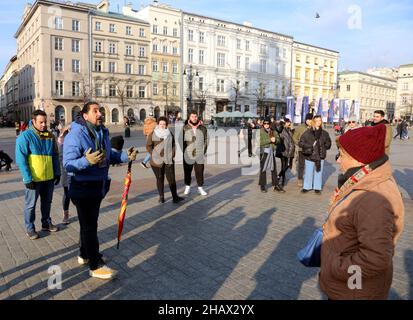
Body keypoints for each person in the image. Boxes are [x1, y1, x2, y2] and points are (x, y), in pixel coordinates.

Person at [320, 124, 404, 300]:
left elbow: (375, 258)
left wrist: (337, 267)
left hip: (353, 290)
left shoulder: (373, 198)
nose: (337, 160)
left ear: (358, 159)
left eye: (341, 155)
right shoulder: (363, 181)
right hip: (350, 286)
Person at [63, 101, 138, 280]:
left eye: (100, 111)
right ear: (85, 115)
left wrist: (125, 156)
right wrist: (85, 161)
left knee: (87, 224)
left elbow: (110, 155)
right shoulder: (75, 134)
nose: (100, 114)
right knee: (90, 226)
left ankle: (84, 254)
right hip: (82, 187)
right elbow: (68, 164)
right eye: (95, 111)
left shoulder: (102, 131)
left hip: (98, 185)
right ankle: (95, 265)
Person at [15, 110, 61, 240]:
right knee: (30, 205)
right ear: (33, 121)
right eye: (41, 122)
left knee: (47, 202)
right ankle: (30, 228)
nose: (44, 125)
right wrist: (27, 178)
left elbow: (55, 155)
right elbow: (21, 159)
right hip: (34, 179)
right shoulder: (25, 136)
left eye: (45, 122)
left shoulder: (48, 135)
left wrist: (57, 172)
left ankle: (46, 223)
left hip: (49, 178)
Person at [147, 117, 184, 204]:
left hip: (168, 160)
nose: (162, 126)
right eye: (160, 124)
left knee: (171, 179)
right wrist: (154, 154)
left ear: (166, 125)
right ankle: (161, 197)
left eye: (164, 124)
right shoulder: (153, 133)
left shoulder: (169, 133)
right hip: (156, 162)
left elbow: (174, 144)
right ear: (158, 124)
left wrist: (173, 154)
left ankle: (175, 197)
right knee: (160, 178)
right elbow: (148, 146)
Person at [299, 115, 331, 194]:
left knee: (318, 172)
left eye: (320, 120)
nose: (318, 122)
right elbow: (301, 142)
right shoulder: (308, 132)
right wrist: (308, 146)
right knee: (308, 172)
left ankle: (317, 187)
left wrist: (325, 146)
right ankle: (307, 186)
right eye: (316, 121)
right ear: (313, 122)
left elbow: (328, 143)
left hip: (320, 156)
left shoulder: (324, 133)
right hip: (310, 155)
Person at [183, 110, 208, 196]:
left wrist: (203, 151)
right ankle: (187, 186)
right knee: (187, 171)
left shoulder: (203, 128)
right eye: (192, 116)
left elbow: (206, 140)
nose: (194, 118)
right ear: (189, 117)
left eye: (195, 116)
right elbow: (181, 141)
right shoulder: (185, 127)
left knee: (200, 171)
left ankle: (200, 188)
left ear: (198, 117)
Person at [258, 118, 285, 193]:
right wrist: (270, 140)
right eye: (265, 124)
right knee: (263, 169)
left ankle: (275, 185)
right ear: (263, 124)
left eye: (268, 124)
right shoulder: (260, 131)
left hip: (272, 152)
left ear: (270, 124)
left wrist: (275, 140)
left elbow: (278, 140)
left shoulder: (273, 131)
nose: (266, 125)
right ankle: (262, 185)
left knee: (274, 169)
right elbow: (258, 142)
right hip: (264, 152)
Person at [293, 113, 313, 187]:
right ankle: (300, 179)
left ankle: (308, 180)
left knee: (309, 165)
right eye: (308, 119)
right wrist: (299, 144)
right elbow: (294, 137)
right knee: (301, 165)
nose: (310, 121)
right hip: (302, 149)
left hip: (311, 150)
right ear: (306, 120)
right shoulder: (300, 128)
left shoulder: (313, 128)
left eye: (311, 119)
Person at [57, 126, 71, 224]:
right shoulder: (61, 143)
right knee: (67, 194)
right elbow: (61, 158)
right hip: (66, 172)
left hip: (75, 171)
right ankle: (65, 214)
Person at [278, 118, 295, 187]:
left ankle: (279, 176)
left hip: (289, 150)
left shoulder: (290, 130)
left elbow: (292, 139)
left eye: (289, 122)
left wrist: (292, 129)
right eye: (288, 122)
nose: (289, 123)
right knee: (284, 166)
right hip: (283, 150)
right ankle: (282, 181)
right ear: (284, 123)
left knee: (287, 166)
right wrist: (282, 124)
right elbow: (278, 128)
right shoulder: (281, 129)